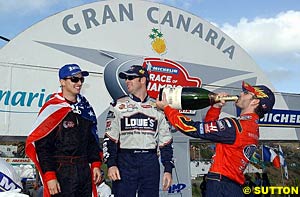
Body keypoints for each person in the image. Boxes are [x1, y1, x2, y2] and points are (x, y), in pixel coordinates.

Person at [156, 81, 275, 197]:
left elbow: (192, 128)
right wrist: (216, 107)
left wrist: (167, 108)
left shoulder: (236, 126)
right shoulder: (252, 127)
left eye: (246, 92)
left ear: (255, 101)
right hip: (232, 186)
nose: (241, 94)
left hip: (221, 186)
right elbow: (209, 129)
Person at [25, 64, 102, 197]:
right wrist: (49, 175)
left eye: (81, 79)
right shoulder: (52, 108)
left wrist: (95, 164)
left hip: (84, 169)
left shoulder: (86, 108)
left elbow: (92, 140)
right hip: (62, 170)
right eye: (74, 79)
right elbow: (43, 147)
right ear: (62, 82)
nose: (79, 83)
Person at [103, 65, 174, 197]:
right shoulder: (118, 105)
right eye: (126, 78)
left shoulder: (158, 107)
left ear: (143, 80)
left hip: (150, 161)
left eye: (131, 78)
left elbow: (166, 142)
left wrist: (168, 169)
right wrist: (111, 164)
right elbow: (110, 139)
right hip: (125, 160)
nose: (127, 81)